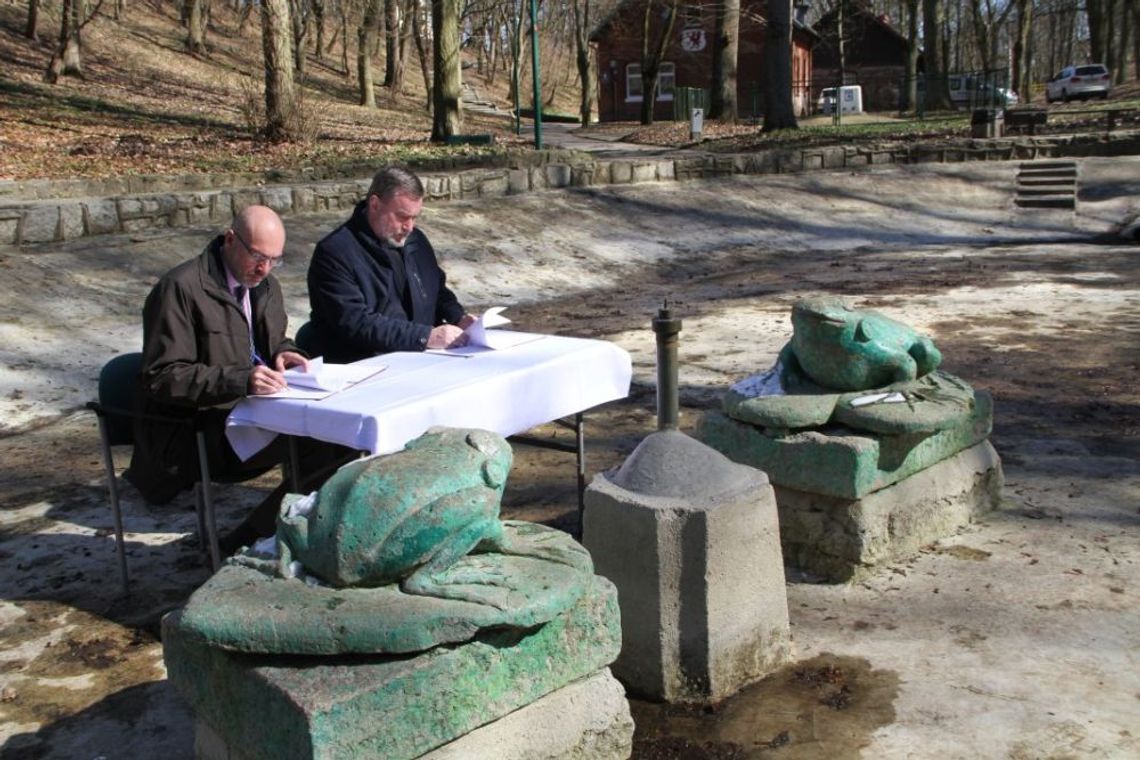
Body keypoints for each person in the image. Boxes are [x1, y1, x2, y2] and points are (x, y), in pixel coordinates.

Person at [126, 205, 308, 508]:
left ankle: (268, 534)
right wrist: (242, 380)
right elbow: (161, 377)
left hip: (253, 414)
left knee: (334, 441)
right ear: (230, 240)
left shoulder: (265, 287)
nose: (264, 269)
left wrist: (285, 353)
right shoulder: (181, 289)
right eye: (257, 257)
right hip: (197, 432)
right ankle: (246, 541)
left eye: (274, 260)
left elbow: (271, 341)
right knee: (314, 445)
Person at [307, 166, 475, 362]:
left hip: (423, 358)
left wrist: (458, 317)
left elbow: (435, 288)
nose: (409, 227)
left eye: (414, 218)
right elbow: (355, 323)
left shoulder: (415, 241)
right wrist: (425, 336)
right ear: (375, 205)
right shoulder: (335, 252)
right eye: (402, 217)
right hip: (363, 366)